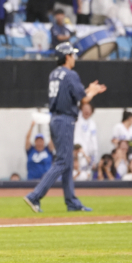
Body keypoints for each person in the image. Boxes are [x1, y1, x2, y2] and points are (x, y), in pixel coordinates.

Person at [24, 42, 106, 213]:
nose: (74, 57)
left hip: (54, 119)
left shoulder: (53, 74)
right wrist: (92, 91)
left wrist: (87, 91)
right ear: (67, 56)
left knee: (67, 162)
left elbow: (70, 95)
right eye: (73, 55)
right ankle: (35, 195)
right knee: (62, 161)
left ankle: (72, 202)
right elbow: (83, 99)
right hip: (65, 120)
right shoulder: (70, 74)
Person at [74, 103, 98, 168]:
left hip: (87, 157)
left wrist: (94, 159)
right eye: (85, 109)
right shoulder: (77, 120)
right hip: (76, 154)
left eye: (89, 109)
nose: (87, 111)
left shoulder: (92, 124)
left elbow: (94, 142)